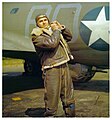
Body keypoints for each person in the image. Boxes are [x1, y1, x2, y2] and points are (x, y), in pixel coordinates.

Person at [31, 14, 75, 117]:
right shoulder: (37, 36)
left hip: (63, 63)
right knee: (52, 95)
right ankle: (50, 115)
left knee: (68, 94)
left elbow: (69, 37)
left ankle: (71, 115)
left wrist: (62, 28)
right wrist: (56, 31)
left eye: (45, 20)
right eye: (40, 21)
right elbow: (52, 44)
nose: (44, 22)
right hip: (51, 68)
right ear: (37, 24)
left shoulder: (53, 32)